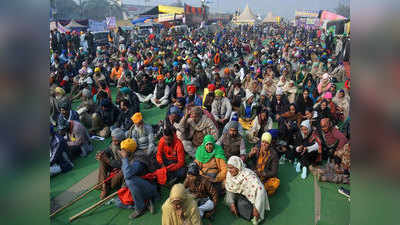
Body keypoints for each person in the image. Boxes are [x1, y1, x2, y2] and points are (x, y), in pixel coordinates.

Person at [118, 138, 159, 219]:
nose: (122, 152)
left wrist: (124, 158)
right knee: (118, 202)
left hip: (150, 187)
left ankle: (140, 208)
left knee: (130, 180)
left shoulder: (139, 159)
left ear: (128, 151)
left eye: (123, 150)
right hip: (140, 186)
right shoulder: (132, 154)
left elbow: (127, 174)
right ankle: (146, 203)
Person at [225, 156, 270, 225]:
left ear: (238, 167)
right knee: (230, 200)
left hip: (252, 199)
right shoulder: (229, 174)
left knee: (241, 205)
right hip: (240, 194)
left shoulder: (249, 176)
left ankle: (253, 214)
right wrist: (231, 203)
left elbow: (260, 190)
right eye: (228, 167)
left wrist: (256, 208)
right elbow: (229, 189)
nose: (229, 170)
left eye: (231, 168)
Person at [95, 128, 125, 199]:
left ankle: (104, 184)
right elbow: (108, 150)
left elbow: (122, 164)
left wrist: (108, 160)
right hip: (114, 166)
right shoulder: (113, 144)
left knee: (113, 185)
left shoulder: (125, 147)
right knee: (102, 160)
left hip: (122, 169)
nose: (114, 142)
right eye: (113, 140)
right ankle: (104, 186)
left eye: (116, 141)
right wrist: (102, 153)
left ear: (121, 140)